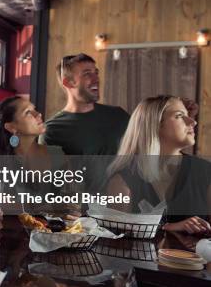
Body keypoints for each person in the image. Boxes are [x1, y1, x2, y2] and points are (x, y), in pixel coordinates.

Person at [106, 95, 211, 234]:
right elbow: (115, 237)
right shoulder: (123, 180)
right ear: (154, 125)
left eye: (187, 115)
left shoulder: (205, 172)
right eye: (179, 116)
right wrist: (167, 228)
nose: (193, 121)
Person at [0, 96, 79, 217]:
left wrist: (72, 209)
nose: (38, 114)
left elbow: (73, 200)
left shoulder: (57, 155)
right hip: (8, 234)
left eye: (35, 109)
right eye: (28, 112)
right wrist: (50, 207)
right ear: (12, 127)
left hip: (53, 234)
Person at [40, 53, 130, 155]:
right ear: (68, 82)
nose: (96, 79)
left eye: (96, 73)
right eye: (87, 74)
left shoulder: (119, 116)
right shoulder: (52, 131)